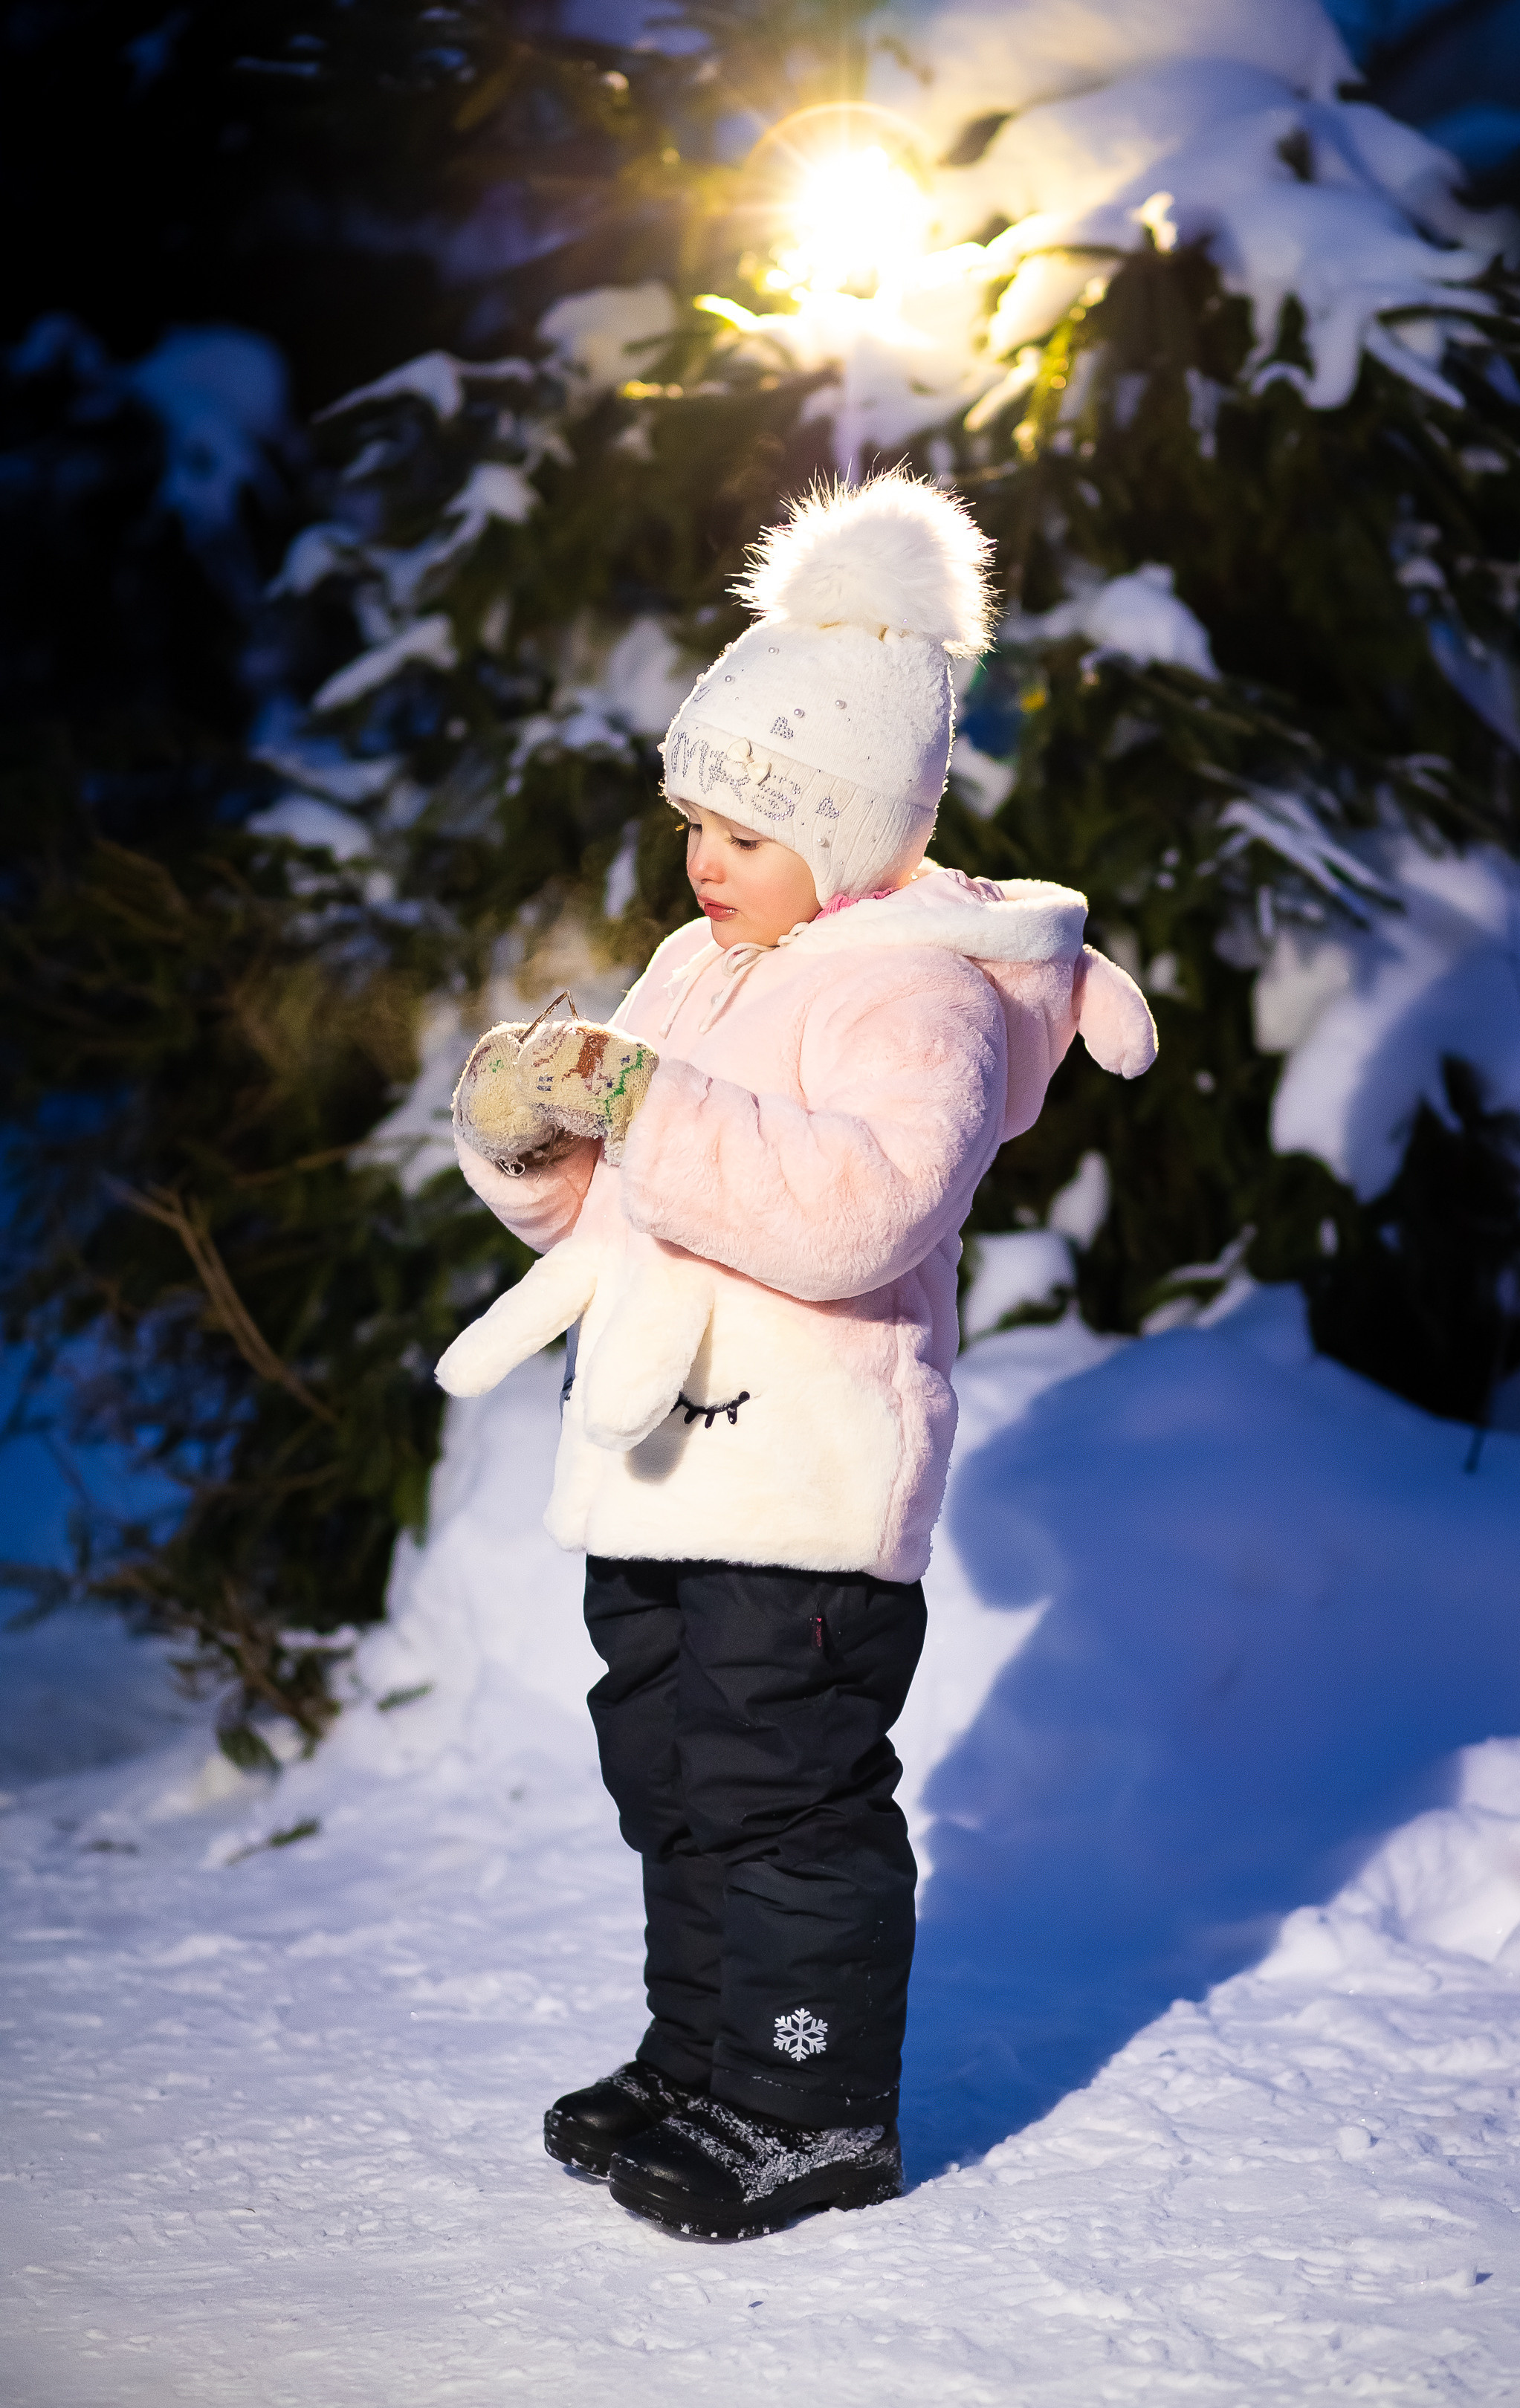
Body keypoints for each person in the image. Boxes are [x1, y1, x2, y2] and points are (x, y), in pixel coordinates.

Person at [436, 470, 1157, 2240]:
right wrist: (534, 1137)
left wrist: (641, 1094)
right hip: (655, 1458)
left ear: (848, 828)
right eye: (692, 819)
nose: (703, 861)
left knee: (780, 1795)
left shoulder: (914, 1000)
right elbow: (631, 1202)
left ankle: (809, 2104)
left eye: (745, 832)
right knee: (676, 1785)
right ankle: (706, 2066)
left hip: (808, 1487)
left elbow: (856, 1212)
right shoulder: (701, 961)